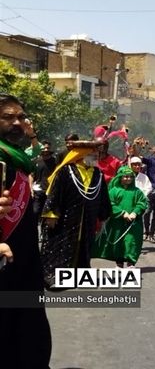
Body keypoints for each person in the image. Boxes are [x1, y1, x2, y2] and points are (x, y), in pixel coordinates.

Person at [0, 93, 52, 367]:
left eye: (20, 116)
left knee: (29, 329)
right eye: (8, 117)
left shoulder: (16, 158)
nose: (18, 122)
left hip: (25, 262)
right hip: (4, 265)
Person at [40, 139, 111, 284]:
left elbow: (103, 195)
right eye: (93, 153)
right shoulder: (66, 171)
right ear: (82, 154)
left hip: (88, 218)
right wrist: (51, 214)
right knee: (62, 245)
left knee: (85, 244)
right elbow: (55, 193)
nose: (97, 156)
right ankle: (57, 274)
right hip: (66, 218)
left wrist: (103, 215)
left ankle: (80, 274)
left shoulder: (98, 173)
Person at [93, 166, 148, 268]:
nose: (128, 179)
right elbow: (110, 204)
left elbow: (142, 203)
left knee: (132, 242)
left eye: (130, 177)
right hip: (117, 223)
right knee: (118, 243)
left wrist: (135, 213)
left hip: (133, 223)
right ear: (120, 177)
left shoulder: (137, 191)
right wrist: (122, 213)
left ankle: (131, 263)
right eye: (125, 176)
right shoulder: (113, 191)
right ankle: (119, 264)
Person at [31, 141, 57, 223]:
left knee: (48, 216)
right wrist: (30, 188)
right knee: (35, 212)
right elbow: (31, 175)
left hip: (50, 192)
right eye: (44, 148)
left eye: (47, 148)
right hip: (37, 191)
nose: (46, 150)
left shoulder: (55, 162)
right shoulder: (35, 161)